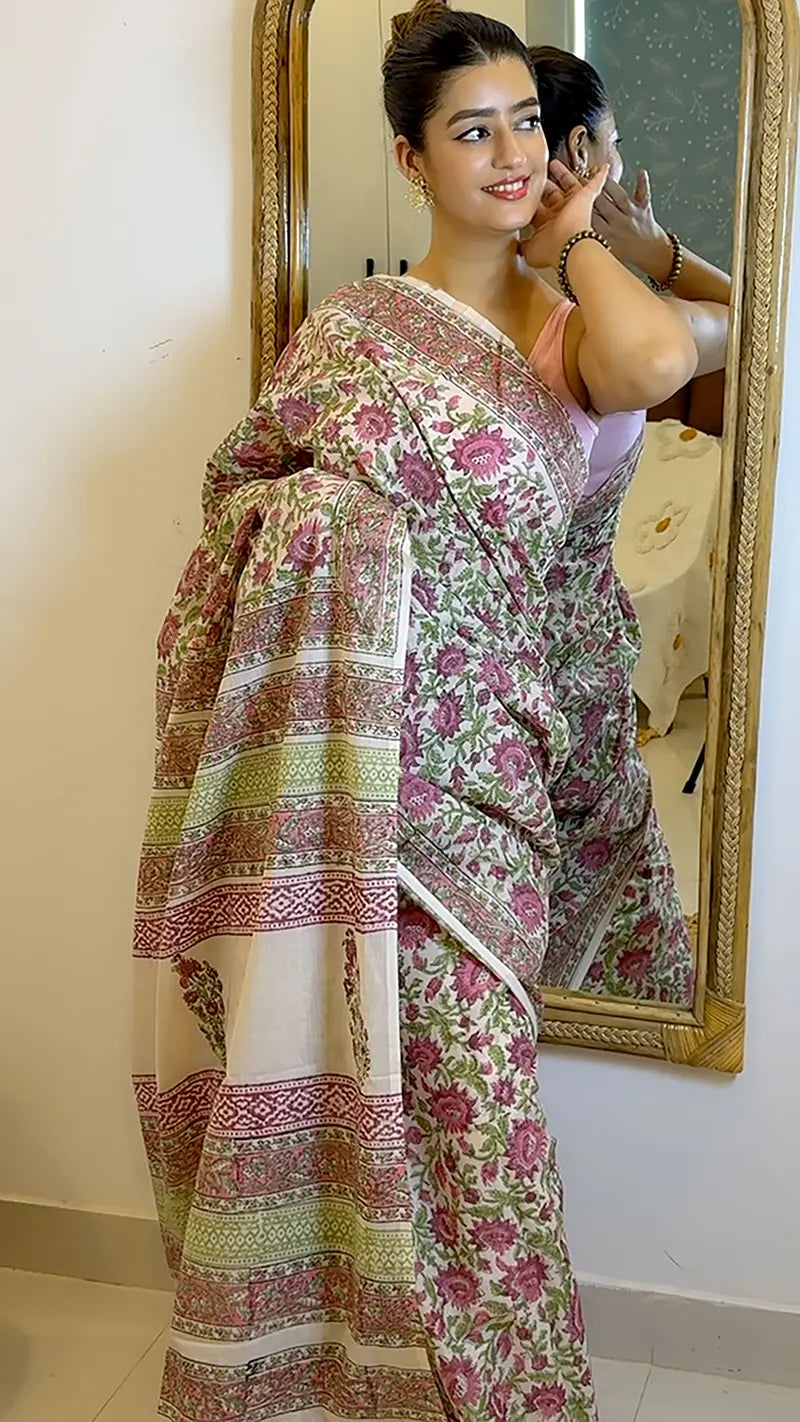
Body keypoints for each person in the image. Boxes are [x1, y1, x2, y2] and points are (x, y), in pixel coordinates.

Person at [133, 6, 699, 1420]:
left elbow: (662, 366)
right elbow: (243, 499)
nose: (509, 152)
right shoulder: (356, 331)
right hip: (346, 765)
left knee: (474, 1108)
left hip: (486, 771)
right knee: (335, 1073)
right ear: (410, 155)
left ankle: (504, 1393)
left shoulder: (579, 326)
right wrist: (323, 519)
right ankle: (333, 1377)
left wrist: (581, 234)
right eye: (471, 130)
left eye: (525, 122)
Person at [529, 45, 731, 999]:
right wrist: (659, 257)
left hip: (463, 681)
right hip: (566, 672)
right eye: (615, 142)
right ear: (581, 149)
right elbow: (759, 323)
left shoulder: (446, 307)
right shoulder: (622, 332)